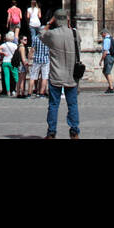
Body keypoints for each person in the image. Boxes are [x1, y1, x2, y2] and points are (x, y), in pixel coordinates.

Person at [40, 9, 81, 139]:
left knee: (53, 105)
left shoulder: (52, 34)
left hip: (56, 75)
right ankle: (74, 131)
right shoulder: (76, 34)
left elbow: (41, 34)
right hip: (71, 75)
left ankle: (51, 132)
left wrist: (49, 22)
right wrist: (68, 25)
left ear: (56, 20)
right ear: (67, 20)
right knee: (73, 104)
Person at [29, 29, 50, 98]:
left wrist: (29, 58)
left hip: (37, 59)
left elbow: (32, 49)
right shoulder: (48, 39)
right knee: (45, 77)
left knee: (33, 77)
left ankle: (29, 93)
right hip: (45, 59)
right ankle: (41, 93)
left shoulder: (36, 38)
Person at [0, 31, 19, 96]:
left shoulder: (4, 45)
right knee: (16, 77)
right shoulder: (15, 45)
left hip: (5, 61)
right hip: (12, 62)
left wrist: (3, 53)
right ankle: (17, 90)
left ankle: (8, 91)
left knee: (7, 77)